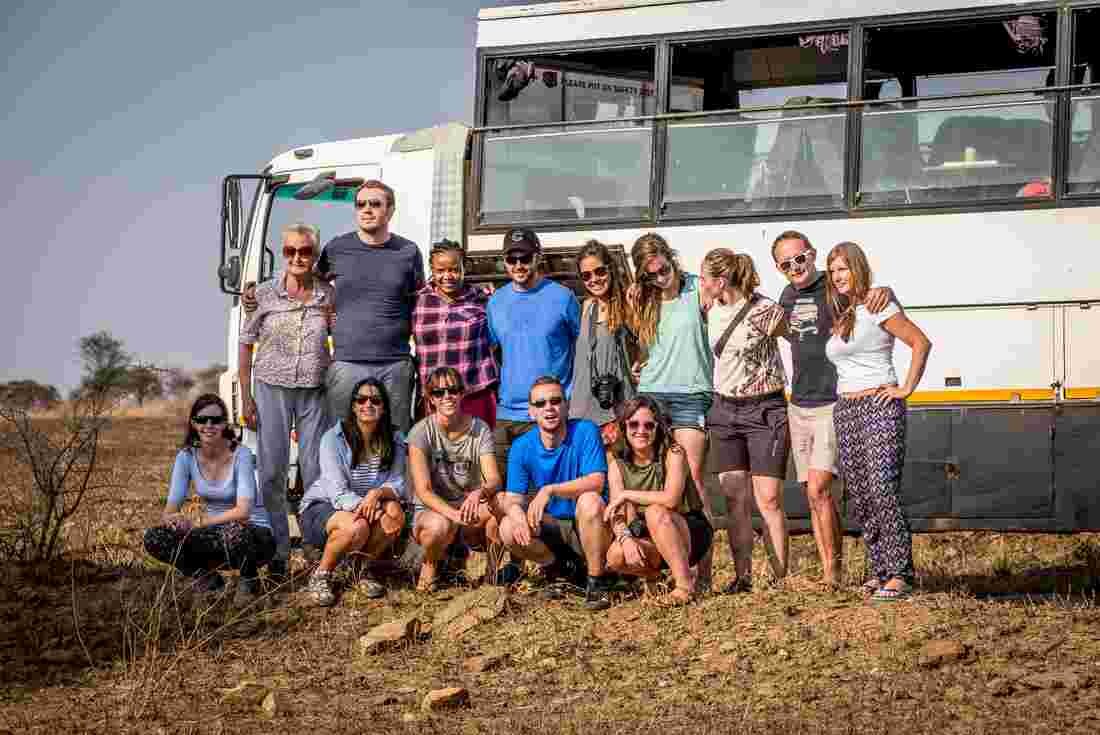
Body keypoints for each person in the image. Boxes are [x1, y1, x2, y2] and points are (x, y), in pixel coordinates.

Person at [242, 179, 424, 433]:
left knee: (394, 441)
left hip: (395, 365)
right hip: (346, 364)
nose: (367, 209)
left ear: (391, 210)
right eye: (361, 204)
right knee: (341, 440)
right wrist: (258, 289)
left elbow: (421, 301)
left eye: (375, 204)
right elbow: (305, 278)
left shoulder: (408, 251)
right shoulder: (337, 247)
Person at [773, 230, 894, 588]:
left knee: (819, 487)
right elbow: (788, 333)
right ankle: (833, 572)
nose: (795, 267)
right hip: (799, 404)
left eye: (800, 258)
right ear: (779, 268)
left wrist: (884, 292)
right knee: (814, 494)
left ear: (811, 255)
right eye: (786, 263)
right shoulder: (787, 294)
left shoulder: (832, 285)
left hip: (831, 402)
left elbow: (869, 297)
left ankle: (832, 574)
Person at [825, 242, 931, 602]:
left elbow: (920, 342)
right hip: (846, 408)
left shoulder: (878, 302)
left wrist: (905, 389)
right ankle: (880, 569)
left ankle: (901, 573)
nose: (838, 276)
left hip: (879, 404)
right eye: (833, 270)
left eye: (843, 268)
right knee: (861, 493)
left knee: (883, 487)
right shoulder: (845, 312)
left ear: (858, 267)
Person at [238, 223, 334, 579]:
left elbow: (338, 338)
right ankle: (278, 551)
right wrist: (246, 396)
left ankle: (313, 547)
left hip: (314, 389)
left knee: (314, 470)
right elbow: (246, 345)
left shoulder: (328, 295)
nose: (297, 257)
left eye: (305, 251)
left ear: (314, 255)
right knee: (273, 470)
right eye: (290, 251)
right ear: (283, 254)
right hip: (270, 387)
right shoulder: (262, 294)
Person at [699, 249, 790, 592]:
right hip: (724, 411)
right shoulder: (710, 310)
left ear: (720, 281)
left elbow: (800, 337)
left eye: (705, 278)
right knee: (734, 498)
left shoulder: (764, 310)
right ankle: (743, 577)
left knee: (768, 499)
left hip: (765, 409)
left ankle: (780, 578)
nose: (701, 283)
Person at [628, 233, 715, 587]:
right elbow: (643, 350)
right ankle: (660, 569)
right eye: (650, 274)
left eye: (663, 268)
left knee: (693, 480)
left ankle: (705, 571)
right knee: (656, 482)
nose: (659, 277)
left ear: (670, 258)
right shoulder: (644, 300)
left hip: (692, 393)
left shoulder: (697, 288)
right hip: (652, 394)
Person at [143, 395, 274, 604]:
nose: (209, 425)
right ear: (193, 423)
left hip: (254, 536)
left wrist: (198, 523)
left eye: (216, 420)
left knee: (235, 530)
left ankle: (249, 579)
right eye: (202, 420)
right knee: (153, 537)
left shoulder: (241, 454)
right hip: (215, 535)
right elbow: (170, 508)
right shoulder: (185, 457)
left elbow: (243, 512)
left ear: (225, 423)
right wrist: (175, 520)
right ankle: (207, 579)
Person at [496, 376, 612, 611]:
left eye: (555, 401)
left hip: (592, 526)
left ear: (566, 405)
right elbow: (512, 499)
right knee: (508, 527)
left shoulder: (585, 430)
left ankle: (596, 582)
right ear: (531, 412)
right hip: (554, 527)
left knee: (589, 500)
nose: (548, 408)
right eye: (540, 404)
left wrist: (550, 490)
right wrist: (518, 517)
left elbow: (597, 482)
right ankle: (560, 570)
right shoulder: (522, 446)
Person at [298, 378, 410, 606]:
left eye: (375, 400)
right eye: (361, 399)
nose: (368, 404)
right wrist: (378, 514)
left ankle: (360, 569)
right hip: (324, 506)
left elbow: (398, 483)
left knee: (396, 513)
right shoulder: (333, 438)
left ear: (384, 407)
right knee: (356, 527)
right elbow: (338, 493)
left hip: (366, 505)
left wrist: (376, 495)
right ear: (353, 405)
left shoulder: (395, 438)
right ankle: (321, 574)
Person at [487, 228, 581, 478]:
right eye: (512, 259)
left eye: (525, 258)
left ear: (538, 257)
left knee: (548, 501)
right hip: (507, 415)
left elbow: (582, 349)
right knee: (504, 498)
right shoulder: (495, 302)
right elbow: (495, 352)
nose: (518, 265)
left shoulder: (563, 297)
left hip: (549, 414)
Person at [603, 397, 713, 605]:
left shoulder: (673, 452)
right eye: (634, 424)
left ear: (658, 428)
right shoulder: (617, 464)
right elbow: (616, 513)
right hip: (650, 532)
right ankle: (654, 577)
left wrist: (627, 494)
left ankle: (684, 586)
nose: (641, 430)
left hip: (687, 528)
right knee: (615, 555)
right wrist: (625, 539)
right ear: (624, 427)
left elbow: (671, 500)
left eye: (649, 425)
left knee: (656, 511)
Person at [408, 367, 503, 591]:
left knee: (503, 504)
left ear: (462, 393)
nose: (447, 396)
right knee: (438, 526)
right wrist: (453, 516)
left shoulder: (480, 428)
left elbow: (493, 479)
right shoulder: (420, 432)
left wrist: (480, 492)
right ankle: (431, 564)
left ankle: (492, 576)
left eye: (453, 390)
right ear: (430, 399)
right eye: (439, 393)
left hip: (469, 504)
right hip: (434, 509)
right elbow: (423, 490)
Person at [412, 239, 499, 428]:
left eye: (454, 269)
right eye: (440, 271)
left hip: (474, 392)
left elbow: (497, 340)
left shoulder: (482, 299)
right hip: (434, 397)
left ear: (464, 268)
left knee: (479, 453)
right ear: (432, 270)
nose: (447, 276)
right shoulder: (418, 300)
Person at [569, 240, 638, 448]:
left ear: (611, 269)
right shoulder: (587, 306)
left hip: (616, 408)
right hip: (582, 409)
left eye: (599, 271)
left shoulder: (628, 305)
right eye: (586, 275)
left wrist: (640, 365)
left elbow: (646, 346)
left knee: (616, 473)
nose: (594, 279)